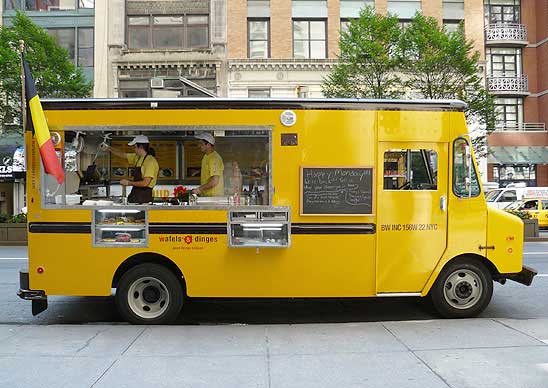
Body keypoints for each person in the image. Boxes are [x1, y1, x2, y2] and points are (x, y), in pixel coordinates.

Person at [104, 135, 159, 204]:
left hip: (145, 197)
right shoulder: (137, 157)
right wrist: (108, 148)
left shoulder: (150, 161)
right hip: (135, 194)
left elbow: (145, 183)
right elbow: (122, 154)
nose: (134, 149)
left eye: (135, 147)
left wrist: (128, 183)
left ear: (141, 147)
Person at [191, 132, 224, 197]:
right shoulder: (206, 156)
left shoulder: (214, 159)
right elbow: (209, 171)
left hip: (214, 198)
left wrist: (199, 190)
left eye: (201, 144)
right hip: (207, 196)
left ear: (208, 145)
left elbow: (214, 181)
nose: (199, 146)